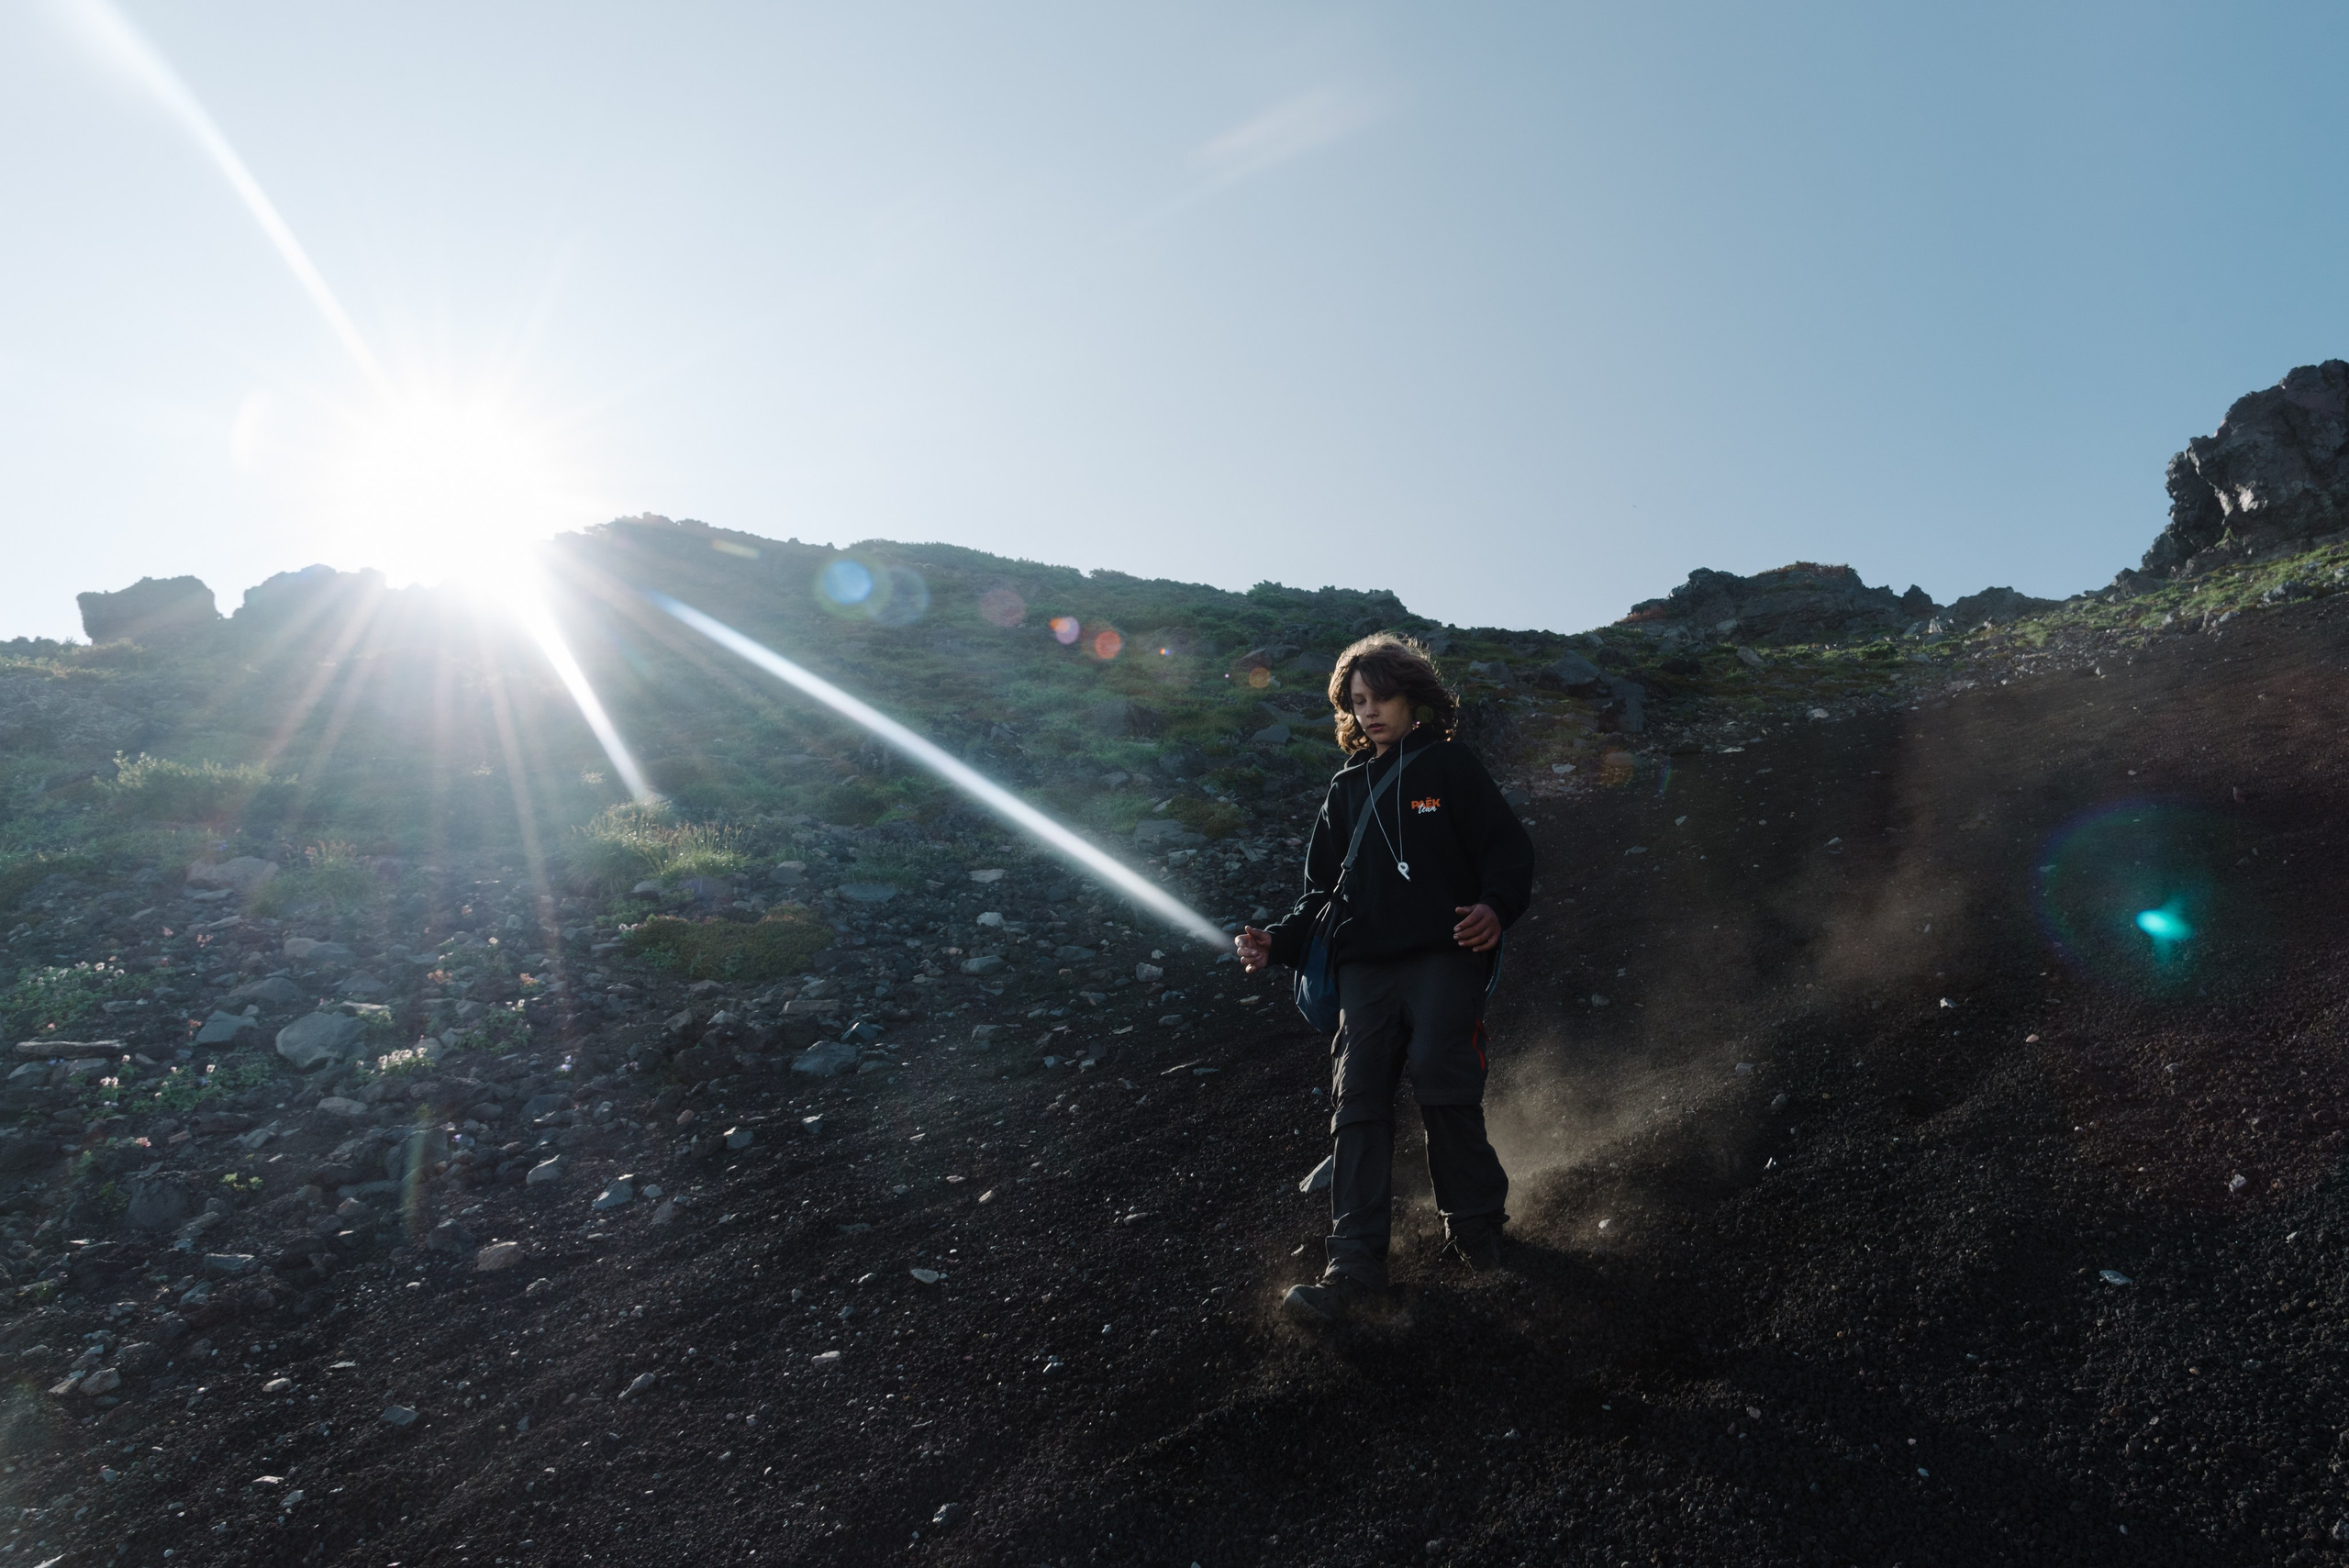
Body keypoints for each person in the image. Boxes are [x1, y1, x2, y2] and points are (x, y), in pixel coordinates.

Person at [1236, 632, 1536, 1325]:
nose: (1370, 712)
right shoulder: (1345, 791)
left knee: (1441, 1072)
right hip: (1364, 966)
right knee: (1358, 1100)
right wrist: (1274, 941)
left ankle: (1478, 1233)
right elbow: (1319, 896)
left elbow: (1506, 847)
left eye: (1382, 697)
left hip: (1444, 951)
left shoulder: (1451, 766)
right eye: (1358, 701)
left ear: (1414, 695)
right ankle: (1355, 1268)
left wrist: (1495, 907)